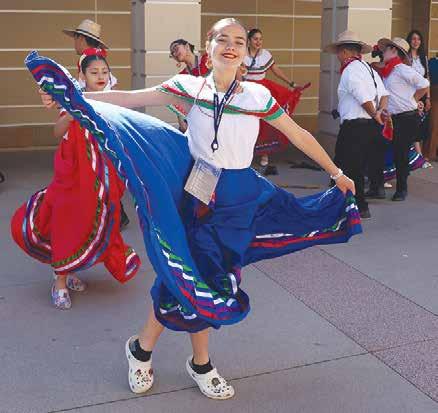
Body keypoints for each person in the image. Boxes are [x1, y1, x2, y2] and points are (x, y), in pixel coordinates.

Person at [38, 18, 360, 400]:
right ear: (208, 47)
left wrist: (336, 172)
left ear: (245, 52)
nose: (231, 46)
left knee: (201, 277)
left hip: (241, 203)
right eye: (223, 39)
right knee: (199, 277)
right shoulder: (189, 88)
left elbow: (299, 134)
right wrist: (74, 99)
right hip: (201, 200)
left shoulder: (256, 97)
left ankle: (143, 349)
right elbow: (129, 99)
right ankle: (196, 362)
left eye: (239, 41)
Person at [11, 49, 141, 310]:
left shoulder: (111, 101)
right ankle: (59, 281)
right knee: (67, 223)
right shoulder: (72, 99)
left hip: (101, 180)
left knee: (88, 224)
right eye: (94, 72)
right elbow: (57, 131)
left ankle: (70, 271)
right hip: (72, 180)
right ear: (82, 75)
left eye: (104, 72)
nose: (100, 76)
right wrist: (71, 112)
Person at [63, 19, 130, 227]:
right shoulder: (100, 57)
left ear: (81, 39)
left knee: (95, 168)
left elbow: (83, 93)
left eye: (75, 38)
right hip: (103, 119)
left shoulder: (88, 59)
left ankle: (107, 215)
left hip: (94, 121)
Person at [324, 31, 389, 219]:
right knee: (341, 162)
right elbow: (384, 95)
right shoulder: (369, 69)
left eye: (339, 52)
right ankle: (335, 199)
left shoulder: (351, 70)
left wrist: (375, 113)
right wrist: (380, 112)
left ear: (345, 52)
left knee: (353, 168)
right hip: (368, 126)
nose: (337, 56)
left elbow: (362, 97)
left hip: (356, 126)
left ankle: (360, 206)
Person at [244, 28, 308, 175]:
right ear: (249, 40)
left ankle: (264, 156)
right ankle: (245, 156)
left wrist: (291, 84)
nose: (258, 42)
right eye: (255, 39)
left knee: (265, 122)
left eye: (260, 39)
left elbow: (276, 70)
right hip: (247, 91)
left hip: (263, 91)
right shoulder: (242, 55)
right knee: (247, 122)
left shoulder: (265, 55)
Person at [377, 37, 429, 201]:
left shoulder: (401, 69)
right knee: (386, 150)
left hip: (406, 117)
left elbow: (424, 84)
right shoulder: (388, 71)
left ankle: (402, 189)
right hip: (392, 118)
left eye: (386, 49)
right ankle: (378, 185)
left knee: (401, 154)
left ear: (394, 51)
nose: (383, 53)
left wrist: (413, 99)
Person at [169, 39, 210, 132]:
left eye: (176, 48)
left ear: (187, 46)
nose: (174, 54)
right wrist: (181, 122)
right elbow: (178, 100)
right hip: (195, 119)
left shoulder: (208, 59)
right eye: (172, 53)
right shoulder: (181, 76)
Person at [407, 30, 432, 167]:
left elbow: (427, 78)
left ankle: (418, 157)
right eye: (413, 39)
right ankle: (419, 158)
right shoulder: (406, 57)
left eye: (418, 39)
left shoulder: (423, 58)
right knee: (413, 125)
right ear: (409, 41)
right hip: (409, 95)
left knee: (421, 125)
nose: (416, 41)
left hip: (421, 94)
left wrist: (428, 97)